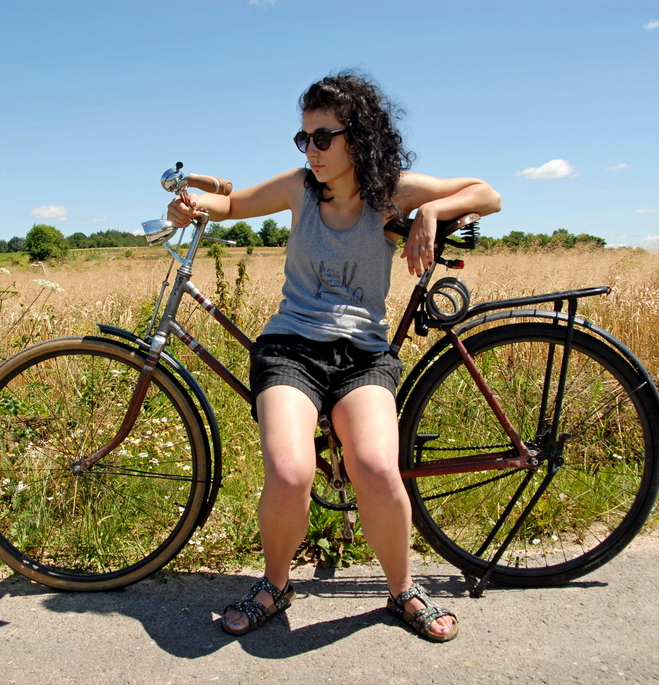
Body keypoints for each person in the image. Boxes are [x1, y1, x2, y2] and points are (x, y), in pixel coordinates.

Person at [167, 71, 501, 642]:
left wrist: (430, 213)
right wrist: (189, 208)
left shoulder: (390, 192)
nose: (312, 151)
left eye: (324, 137)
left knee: (374, 466)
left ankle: (401, 589)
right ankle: (275, 584)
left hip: (362, 357)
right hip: (291, 350)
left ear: (359, 137)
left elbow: (487, 193)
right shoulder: (299, 188)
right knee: (291, 472)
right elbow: (229, 204)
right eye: (304, 139)